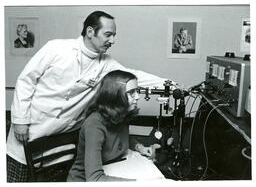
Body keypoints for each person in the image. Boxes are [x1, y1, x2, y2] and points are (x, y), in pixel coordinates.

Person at [6, 10, 176, 182]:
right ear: (90, 32)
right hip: (29, 130)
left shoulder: (106, 63)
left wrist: (172, 85)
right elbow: (26, 80)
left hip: (63, 139)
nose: (113, 41)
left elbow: (134, 76)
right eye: (108, 34)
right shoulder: (56, 48)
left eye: (114, 35)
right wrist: (20, 120)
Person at [67, 70, 161, 182]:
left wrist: (140, 147)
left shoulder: (120, 114)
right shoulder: (94, 124)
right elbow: (94, 179)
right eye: (131, 92)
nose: (137, 97)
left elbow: (119, 137)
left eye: (137, 91)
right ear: (114, 95)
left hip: (111, 168)